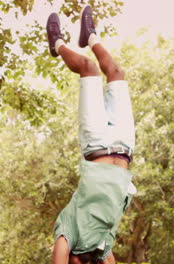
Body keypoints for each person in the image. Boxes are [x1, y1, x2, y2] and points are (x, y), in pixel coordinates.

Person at [47, 5, 137, 264]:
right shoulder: (104, 246)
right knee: (117, 73)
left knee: (88, 67)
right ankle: (91, 37)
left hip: (96, 143)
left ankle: (58, 45)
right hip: (124, 145)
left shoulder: (68, 233)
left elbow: (60, 259)